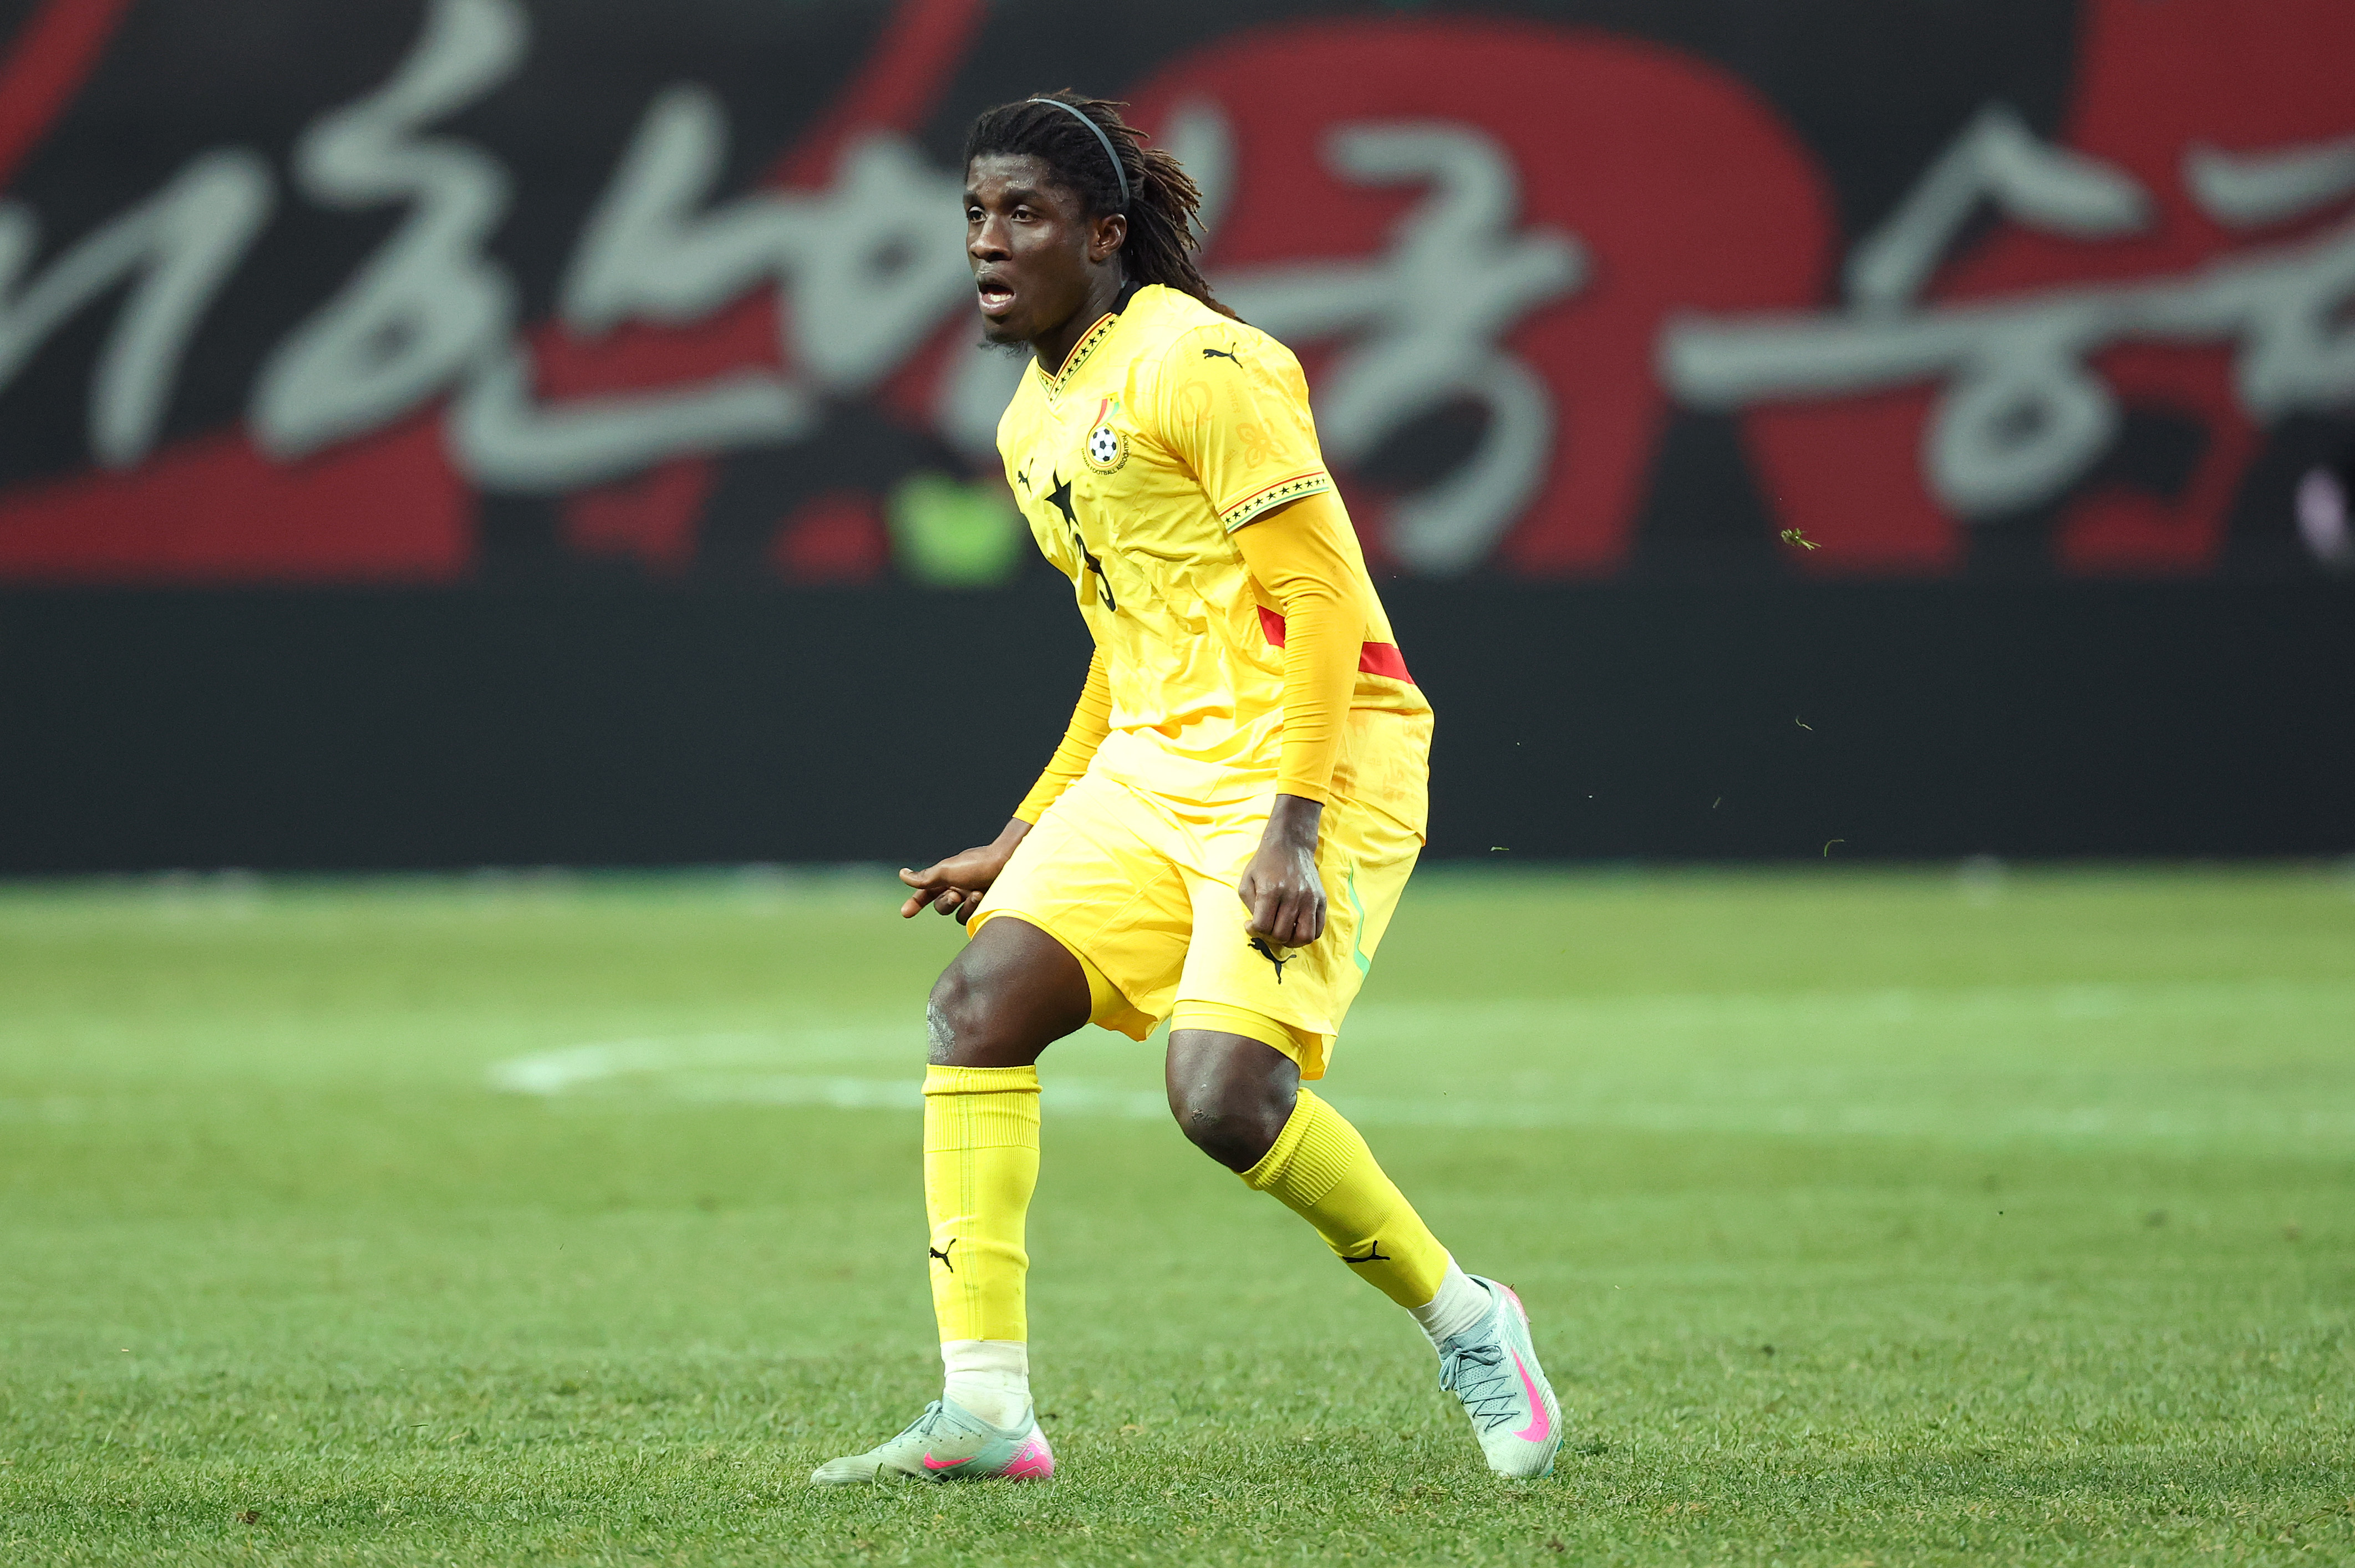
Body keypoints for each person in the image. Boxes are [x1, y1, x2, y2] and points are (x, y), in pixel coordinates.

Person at [811, 91, 1560, 1486]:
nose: (987, 242)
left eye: (1023, 213)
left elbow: (1326, 599)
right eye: (974, 213)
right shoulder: (1030, 425)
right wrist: (1024, 833)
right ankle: (986, 1410)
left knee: (1220, 1097)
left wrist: (1295, 825)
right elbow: (1124, 647)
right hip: (1153, 768)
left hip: (1314, 760)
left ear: (1104, 236)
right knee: (976, 1007)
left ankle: (1470, 1320)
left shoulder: (1205, 364)